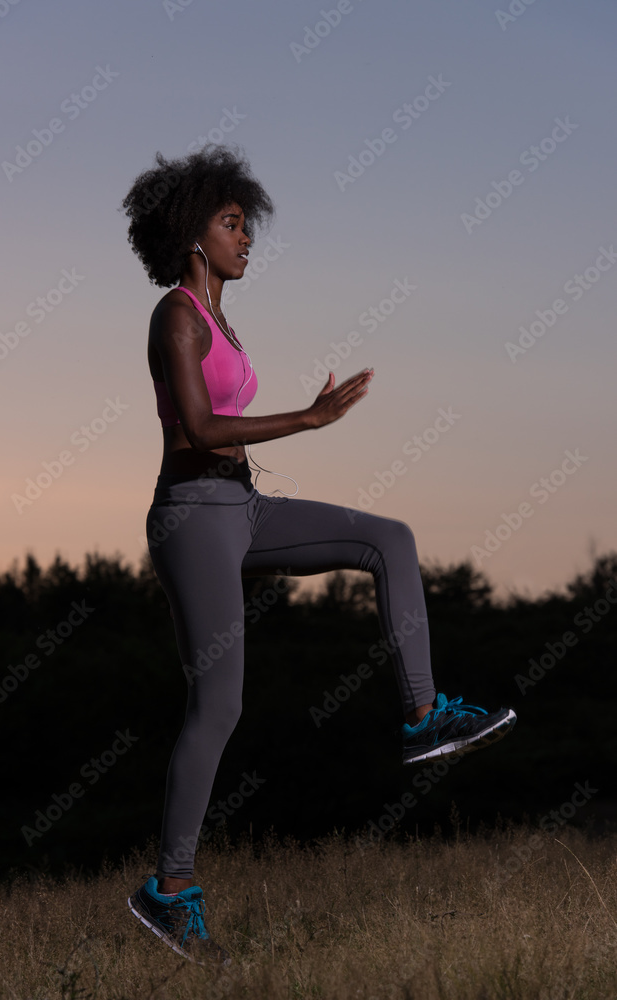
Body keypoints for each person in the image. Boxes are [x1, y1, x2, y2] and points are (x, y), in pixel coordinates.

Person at [119, 144, 516, 966]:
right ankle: (169, 890)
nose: (247, 238)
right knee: (217, 707)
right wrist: (306, 418)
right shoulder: (176, 315)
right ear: (194, 234)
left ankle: (422, 716)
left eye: (245, 224)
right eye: (232, 224)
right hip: (192, 517)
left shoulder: (222, 317)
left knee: (389, 539)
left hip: (243, 506)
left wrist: (298, 426)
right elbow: (196, 428)